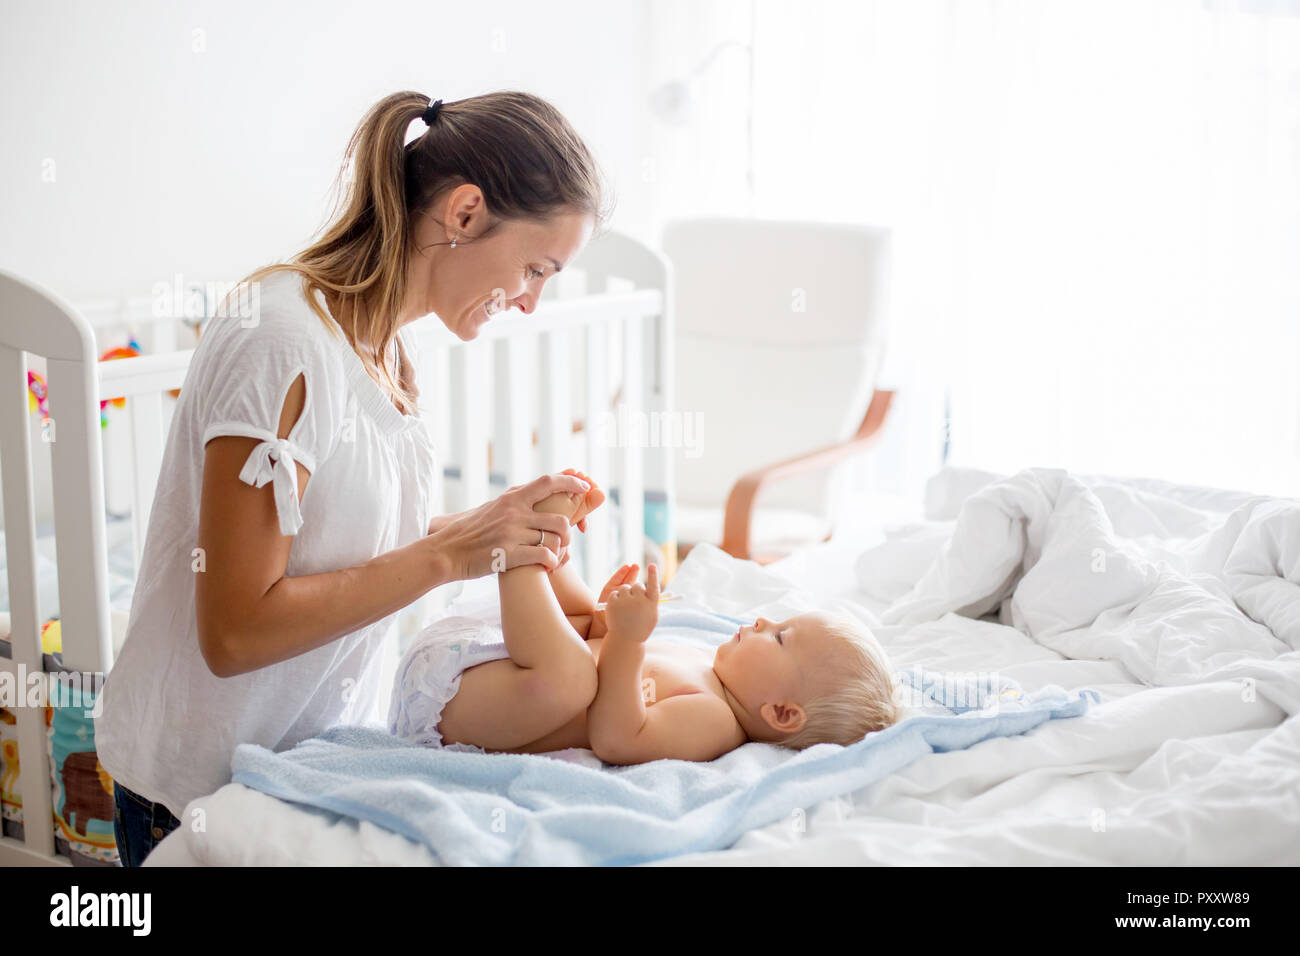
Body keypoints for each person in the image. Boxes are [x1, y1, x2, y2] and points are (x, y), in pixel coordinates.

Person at [96, 90, 612, 865]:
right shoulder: (281, 339)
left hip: (302, 774)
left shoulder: (389, 355)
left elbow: (344, 549)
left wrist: (494, 527)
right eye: (536, 267)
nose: (533, 302)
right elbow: (234, 630)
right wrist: (450, 556)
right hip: (196, 792)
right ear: (466, 214)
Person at [390, 471, 902, 763]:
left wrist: (628, 644)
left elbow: (618, 736)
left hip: (463, 713)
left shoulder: (716, 721)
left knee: (571, 680)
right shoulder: (703, 661)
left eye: (783, 638)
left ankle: (521, 552)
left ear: (782, 713)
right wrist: (608, 622)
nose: (765, 623)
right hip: (481, 665)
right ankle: (551, 544)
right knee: (580, 620)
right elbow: (594, 645)